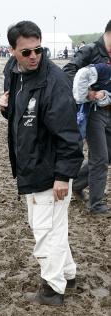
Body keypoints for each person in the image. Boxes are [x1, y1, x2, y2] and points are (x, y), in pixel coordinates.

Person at [0, 20, 83, 306]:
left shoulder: (54, 83)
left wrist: (63, 176)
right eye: (26, 52)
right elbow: (21, 116)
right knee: (54, 226)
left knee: (45, 231)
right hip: (30, 165)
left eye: (38, 50)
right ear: (12, 51)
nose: (33, 56)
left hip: (50, 171)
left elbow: (70, 136)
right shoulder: (13, 73)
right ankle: (68, 275)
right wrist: (5, 109)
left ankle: (52, 289)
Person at [63, 20, 111, 215]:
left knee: (107, 156)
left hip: (109, 110)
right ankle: (96, 204)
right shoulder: (91, 50)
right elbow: (68, 71)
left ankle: (76, 184)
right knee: (99, 158)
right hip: (92, 113)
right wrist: (88, 93)